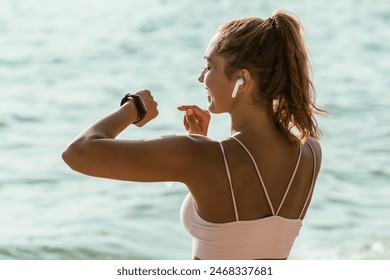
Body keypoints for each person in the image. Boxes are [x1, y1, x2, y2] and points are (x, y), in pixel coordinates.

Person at [62, 10, 326, 260]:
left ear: (242, 80)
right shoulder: (311, 151)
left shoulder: (202, 157)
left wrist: (134, 108)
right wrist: (199, 142)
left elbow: (77, 153)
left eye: (209, 67)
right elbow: (248, 235)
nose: (201, 78)